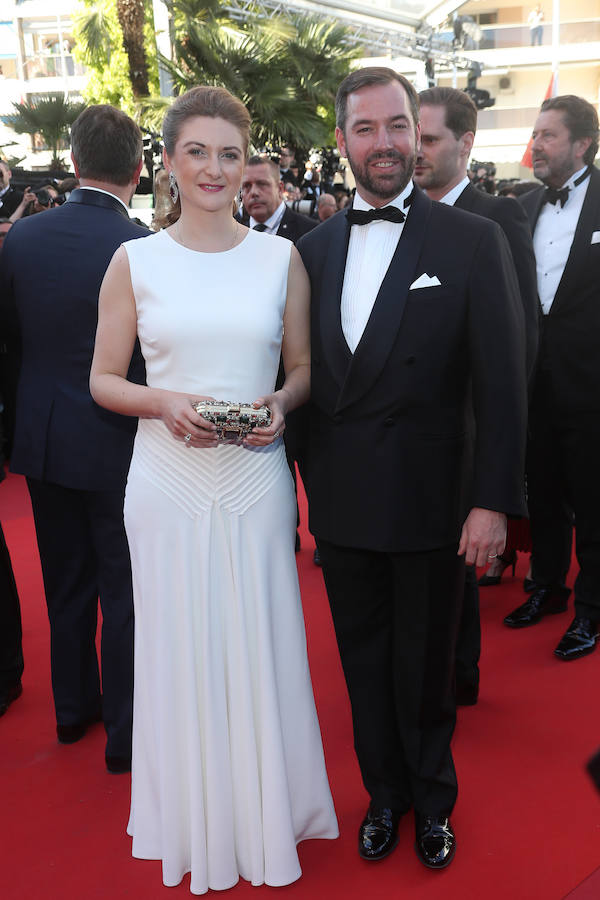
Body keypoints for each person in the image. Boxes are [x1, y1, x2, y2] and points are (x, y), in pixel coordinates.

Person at [89, 85, 337, 894]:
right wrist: (162, 402)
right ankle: (193, 819)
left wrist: (280, 405)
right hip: (164, 480)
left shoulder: (281, 258)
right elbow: (101, 380)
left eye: (229, 153)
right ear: (165, 163)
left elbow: (299, 372)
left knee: (258, 641)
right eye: (196, 151)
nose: (214, 168)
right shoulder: (135, 260)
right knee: (178, 646)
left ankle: (269, 819)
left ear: (249, 164)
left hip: (254, 480)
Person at [297, 66, 527, 870]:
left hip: (435, 502)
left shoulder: (472, 240)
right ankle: (383, 795)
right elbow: (304, 381)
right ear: (342, 143)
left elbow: (503, 384)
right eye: (365, 129)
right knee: (361, 666)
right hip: (347, 504)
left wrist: (493, 502)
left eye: (397, 126)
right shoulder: (312, 249)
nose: (384, 143)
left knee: (426, 670)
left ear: (416, 132)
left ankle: (433, 801)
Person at [0, 104, 149, 772]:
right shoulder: (146, 246)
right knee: (122, 589)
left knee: (65, 584)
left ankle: (71, 715)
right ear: (140, 167)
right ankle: (124, 736)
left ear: (74, 161)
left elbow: (9, 347)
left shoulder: (21, 240)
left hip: (44, 438)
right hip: (120, 440)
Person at [414, 85, 539, 705]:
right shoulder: (402, 215)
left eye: (430, 139)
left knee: (461, 559)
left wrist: (505, 439)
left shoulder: (499, 216)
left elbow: (520, 336)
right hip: (417, 429)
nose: (416, 151)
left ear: (466, 144)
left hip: (471, 424)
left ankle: (460, 672)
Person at [503, 95, 600, 661]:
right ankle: (548, 587)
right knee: (541, 492)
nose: (536, 145)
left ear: (582, 144)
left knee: (591, 499)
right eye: (535, 134)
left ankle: (591, 607)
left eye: (548, 135)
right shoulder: (526, 204)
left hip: (591, 387)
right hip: (533, 384)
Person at [239, 155, 316, 241]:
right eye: (246, 186)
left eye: (262, 184)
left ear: (280, 189)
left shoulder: (310, 233)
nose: (254, 192)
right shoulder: (233, 237)